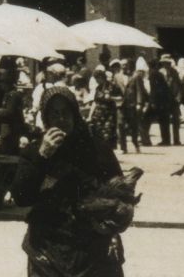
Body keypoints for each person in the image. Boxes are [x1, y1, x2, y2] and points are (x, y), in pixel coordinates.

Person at [11, 86, 138, 277]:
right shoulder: (34, 150)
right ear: (45, 119)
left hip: (92, 251)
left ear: (75, 114)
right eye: (54, 114)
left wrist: (112, 217)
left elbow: (122, 195)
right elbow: (21, 197)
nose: (61, 118)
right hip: (47, 249)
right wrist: (43, 156)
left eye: (65, 112)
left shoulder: (96, 148)